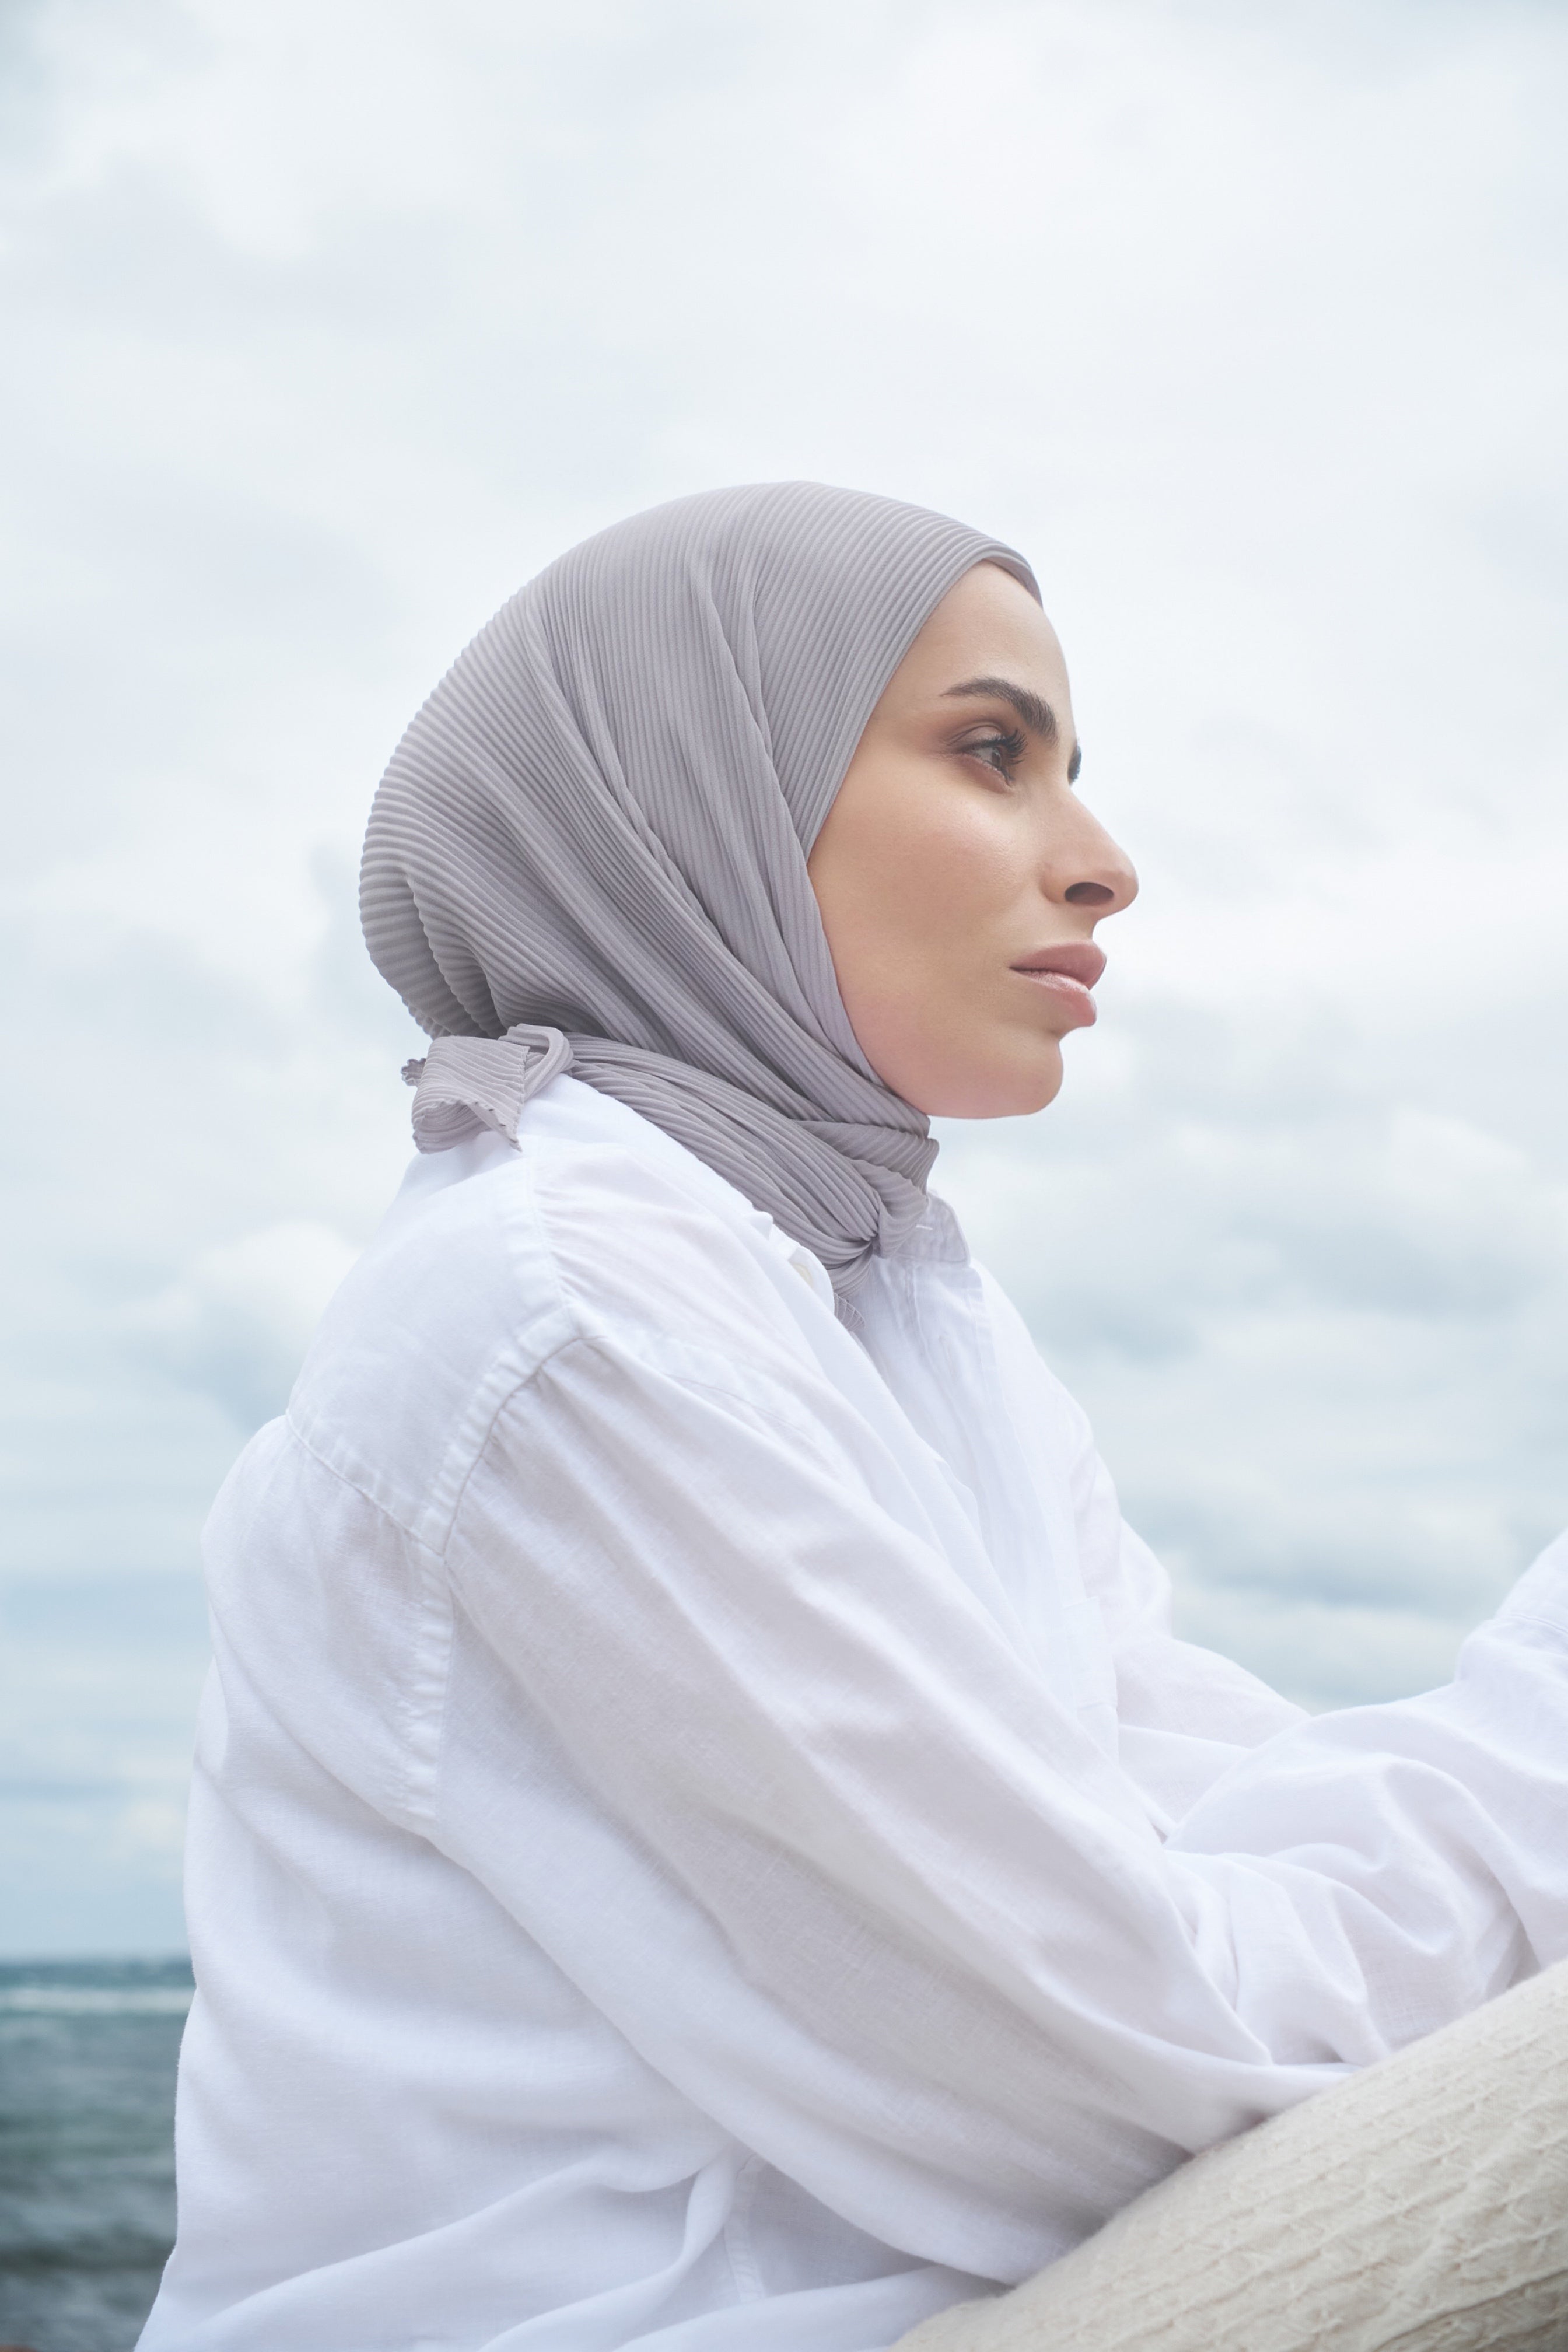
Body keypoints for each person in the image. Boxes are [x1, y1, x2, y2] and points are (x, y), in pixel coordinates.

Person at [138, 484, 1568, 2352]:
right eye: (996, 755)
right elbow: (1143, 2065)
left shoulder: (886, 1297)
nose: (1103, 860)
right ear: (697, 801)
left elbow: (1197, 1833)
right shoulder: (574, 1312)